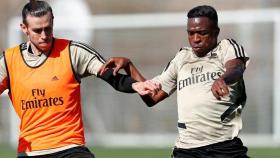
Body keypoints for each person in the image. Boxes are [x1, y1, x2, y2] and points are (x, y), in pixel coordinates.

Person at [0, 0, 159, 157]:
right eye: (37, 30)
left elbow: (110, 75)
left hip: (70, 148)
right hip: (31, 151)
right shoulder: (9, 61)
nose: (44, 35)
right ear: (24, 28)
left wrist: (135, 85)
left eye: (48, 29)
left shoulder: (73, 52)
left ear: (53, 21)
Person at [101, 5, 250, 158]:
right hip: (186, 150)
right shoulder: (182, 58)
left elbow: (236, 69)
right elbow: (152, 97)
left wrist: (223, 79)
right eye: (191, 33)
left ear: (216, 32)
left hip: (224, 147)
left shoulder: (226, 47)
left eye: (202, 33)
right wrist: (129, 66)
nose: (196, 39)